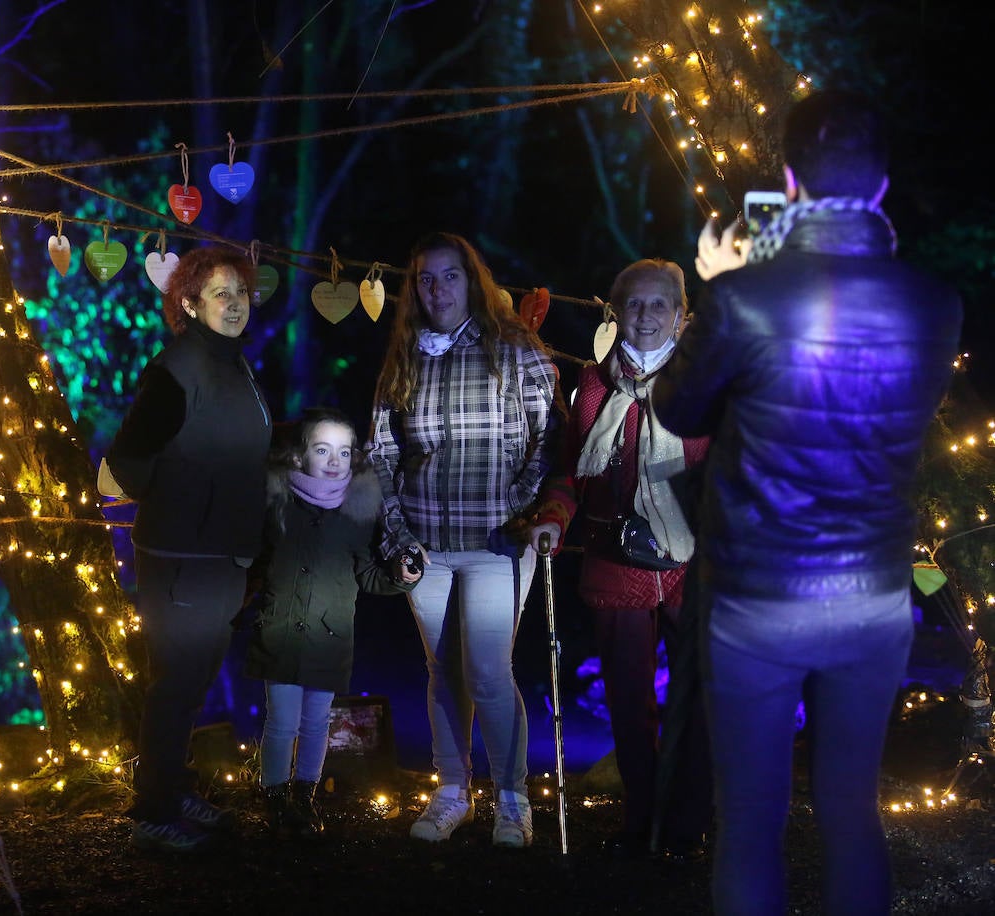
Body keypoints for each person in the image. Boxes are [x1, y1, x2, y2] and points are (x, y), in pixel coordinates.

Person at [652, 90, 963, 915]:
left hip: (757, 603)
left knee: (750, 823)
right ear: (883, 186)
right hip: (872, 600)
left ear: (788, 181)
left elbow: (678, 412)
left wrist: (720, 291)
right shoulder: (936, 306)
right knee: (851, 814)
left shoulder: (747, 297)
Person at [365, 231, 561, 848]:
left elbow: (549, 438)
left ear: (471, 282)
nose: (437, 289)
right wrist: (398, 538)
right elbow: (381, 453)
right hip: (426, 544)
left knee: (486, 671)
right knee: (440, 672)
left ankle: (511, 799)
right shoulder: (404, 357)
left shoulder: (513, 349)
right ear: (413, 288)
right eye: (426, 278)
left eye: (450, 276)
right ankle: (452, 792)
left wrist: (522, 508)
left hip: (496, 543)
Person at [526, 259, 713, 862]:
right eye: (635, 304)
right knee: (629, 704)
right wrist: (554, 517)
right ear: (616, 312)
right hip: (617, 559)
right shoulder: (593, 386)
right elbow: (569, 471)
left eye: (661, 305)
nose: (647, 315)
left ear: (681, 318)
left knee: (696, 699)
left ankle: (688, 821)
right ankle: (642, 818)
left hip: (693, 562)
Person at [105, 246, 272, 853]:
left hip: (226, 557)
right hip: (181, 559)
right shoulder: (177, 367)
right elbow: (128, 460)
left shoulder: (236, 365)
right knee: (175, 684)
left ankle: (172, 789)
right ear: (190, 303)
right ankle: (150, 810)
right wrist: (185, 500)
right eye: (220, 293)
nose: (234, 304)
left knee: (194, 682)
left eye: (242, 294)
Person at [242, 407, 416, 836]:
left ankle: (306, 796)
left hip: (329, 635)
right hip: (280, 631)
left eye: (343, 451)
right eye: (323, 450)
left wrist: (399, 576)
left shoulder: (356, 515)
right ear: (301, 457)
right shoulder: (276, 504)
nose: (334, 459)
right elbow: (254, 562)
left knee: (317, 720)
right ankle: (276, 798)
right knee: (281, 720)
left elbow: (368, 574)